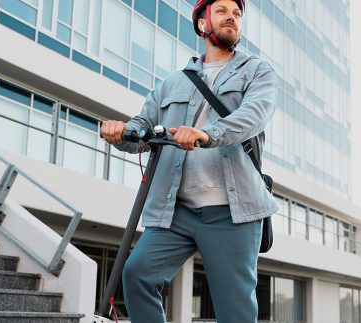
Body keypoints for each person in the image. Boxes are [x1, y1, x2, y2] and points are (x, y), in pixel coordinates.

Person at [100, 0, 278, 321]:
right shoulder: (173, 82)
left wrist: (205, 134)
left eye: (236, 14)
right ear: (202, 23)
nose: (232, 18)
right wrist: (122, 132)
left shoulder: (257, 71)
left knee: (235, 312)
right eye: (222, 11)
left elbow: (253, 116)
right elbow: (142, 125)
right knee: (137, 275)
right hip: (176, 211)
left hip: (233, 213)